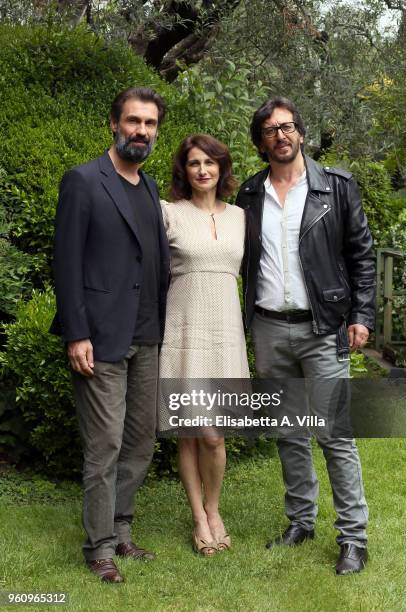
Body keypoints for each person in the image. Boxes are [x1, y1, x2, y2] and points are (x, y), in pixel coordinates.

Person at [236, 96, 376, 575]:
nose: (282, 135)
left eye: (289, 126)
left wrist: (362, 315)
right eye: (272, 129)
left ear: (301, 133)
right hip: (270, 328)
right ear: (261, 141)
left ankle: (353, 539)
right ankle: (301, 521)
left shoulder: (335, 187)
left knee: (335, 435)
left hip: (323, 328)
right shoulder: (250, 195)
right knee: (289, 433)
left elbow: (361, 256)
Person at [51, 87, 170, 583]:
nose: (141, 131)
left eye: (150, 124)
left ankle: (121, 530)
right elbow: (66, 262)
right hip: (99, 338)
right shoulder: (83, 180)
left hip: (147, 335)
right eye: (133, 121)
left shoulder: (148, 187)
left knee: (141, 441)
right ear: (113, 124)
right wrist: (77, 333)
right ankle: (98, 546)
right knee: (104, 446)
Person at [158, 134, 249, 556]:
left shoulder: (240, 217)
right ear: (184, 170)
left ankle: (215, 510)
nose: (202, 170)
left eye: (210, 162)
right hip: (184, 332)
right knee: (190, 433)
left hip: (226, 334)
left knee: (214, 435)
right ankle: (199, 517)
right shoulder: (167, 214)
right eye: (194, 163)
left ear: (222, 168)